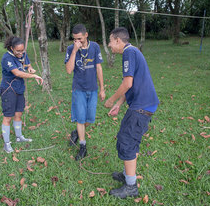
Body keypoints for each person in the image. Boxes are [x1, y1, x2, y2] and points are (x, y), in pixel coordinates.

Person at [104, 27, 159, 198]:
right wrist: (120, 104)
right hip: (143, 104)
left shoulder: (129, 53)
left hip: (141, 107)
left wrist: (111, 99)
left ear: (118, 40)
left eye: (110, 42)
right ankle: (128, 175)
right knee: (131, 141)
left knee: (126, 141)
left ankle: (131, 187)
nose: (109, 46)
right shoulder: (132, 52)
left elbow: (127, 83)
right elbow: (132, 84)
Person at [65, 24, 105, 160]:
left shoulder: (95, 47)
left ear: (86, 35)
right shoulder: (71, 49)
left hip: (93, 89)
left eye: (80, 39)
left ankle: (76, 132)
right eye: (75, 39)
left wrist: (102, 88)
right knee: (80, 119)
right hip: (79, 89)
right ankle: (83, 146)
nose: (77, 42)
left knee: (89, 119)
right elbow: (69, 70)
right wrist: (75, 51)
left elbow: (98, 68)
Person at [0, 36, 43, 153]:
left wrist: (30, 69)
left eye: (22, 50)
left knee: (18, 114)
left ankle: (19, 137)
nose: (20, 53)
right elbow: (17, 73)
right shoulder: (7, 58)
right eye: (18, 51)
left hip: (19, 89)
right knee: (8, 117)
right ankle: (7, 144)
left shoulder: (23, 54)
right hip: (8, 89)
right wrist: (33, 76)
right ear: (11, 48)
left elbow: (27, 65)